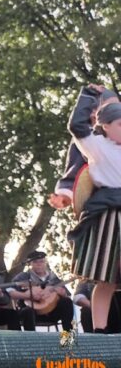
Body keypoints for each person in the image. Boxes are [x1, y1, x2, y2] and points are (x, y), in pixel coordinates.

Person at [67, 84, 121, 333]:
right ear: (106, 127)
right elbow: (77, 127)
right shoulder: (97, 146)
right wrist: (88, 95)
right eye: (120, 124)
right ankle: (100, 329)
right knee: (106, 278)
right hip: (109, 214)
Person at [49, 90, 119, 210]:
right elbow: (75, 169)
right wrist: (65, 194)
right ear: (94, 112)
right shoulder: (89, 140)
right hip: (102, 200)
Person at [7, 251, 73, 332]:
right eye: (35, 262)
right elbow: (10, 292)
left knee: (67, 302)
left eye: (41, 261)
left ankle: (68, 341)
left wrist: (62, 293)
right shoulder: (23, 276)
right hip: (31, 313)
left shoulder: (53, 278)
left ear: (45, 262)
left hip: (52, 313)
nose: (39, 264)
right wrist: (27, 296)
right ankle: (31, 343)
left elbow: (67, 295)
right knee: (27, 311)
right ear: (30, 264)